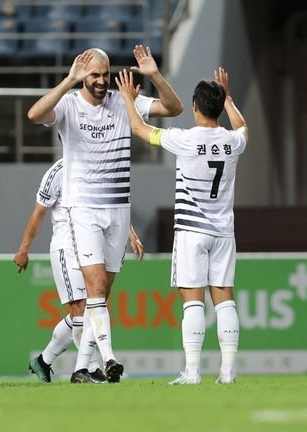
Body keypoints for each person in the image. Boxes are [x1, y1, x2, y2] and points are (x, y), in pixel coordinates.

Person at [26, 45, 183, 383]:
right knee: (94, 288)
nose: (100, 81)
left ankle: (80, 368)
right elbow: (34, 114)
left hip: (118, 211)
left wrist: (154, 75)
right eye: (93, 75)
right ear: (84, 75)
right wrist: (69, 80)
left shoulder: (122, 100)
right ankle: (108, 358)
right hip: (83, 210)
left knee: (101, 294)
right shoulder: (68, 104)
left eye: (104, 74)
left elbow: (174, 107)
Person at [115, 66, 248, 385]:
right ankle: (228, 371)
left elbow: (140, 130)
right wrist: (229, 99)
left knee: (193, 302)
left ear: (195, 106)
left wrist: (128, 100)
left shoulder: (184, 139)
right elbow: (243, 127)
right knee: (225, 299)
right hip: (223, 232)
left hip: (191, 231)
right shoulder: (232, 142)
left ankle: (192, 371)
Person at [14, 158, 145, 383]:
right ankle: (91, 367)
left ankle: (45, 361)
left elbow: (114, 207)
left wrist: (131, 233)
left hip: (94, 245)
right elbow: (38, 213)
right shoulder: (57, 171)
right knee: (82, 313)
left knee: (92, 309)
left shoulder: (99, 165)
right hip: (66, 248)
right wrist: (24, 249)